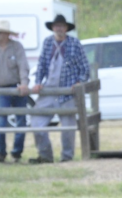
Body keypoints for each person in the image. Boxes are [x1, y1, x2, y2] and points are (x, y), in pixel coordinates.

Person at [29, 14, 89, 164]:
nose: (59, 29)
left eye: (62, 26)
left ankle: (66, 157)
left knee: (68, 127)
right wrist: (38, 82)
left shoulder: (74, 43)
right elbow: (42, 64)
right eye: (56, 26)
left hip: (67, 91)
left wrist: (79, 83)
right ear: (53, 28)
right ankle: (45, 155)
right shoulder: (48, 42)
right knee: (36, 122)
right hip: (49, 90)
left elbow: (85, 68)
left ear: (66, 28)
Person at [0, 20, 29, 163]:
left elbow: (23, 66)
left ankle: (17, 152)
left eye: (2, 32)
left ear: (7, 34)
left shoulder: (17, 47)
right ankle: (1, 153)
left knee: (21, 121)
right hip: (1, 90)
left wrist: (24, 84)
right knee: (1, 122)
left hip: (16, 88)